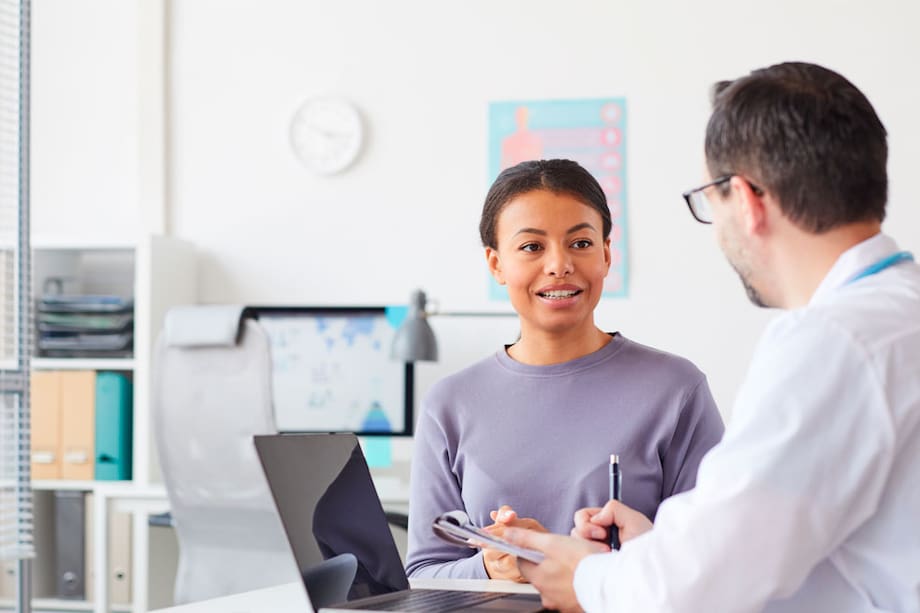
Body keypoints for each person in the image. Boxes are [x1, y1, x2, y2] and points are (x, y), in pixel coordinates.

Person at [503, 62, 920, 612]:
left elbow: (700, 583)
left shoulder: (834, 342)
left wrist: (587, 580)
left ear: (744, 199)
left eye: (709, 201)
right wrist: (658, 550)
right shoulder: (896, 313)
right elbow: (777, 544)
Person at [405, 159, 725, 581]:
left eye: (580, 244)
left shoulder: (676, 390)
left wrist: (634, 554)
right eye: (532, 247)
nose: (559, 265)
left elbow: (717, 558)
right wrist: (491, 566)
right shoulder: (449, 405)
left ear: (606, 254)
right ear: (496, 263)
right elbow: (423, 574)